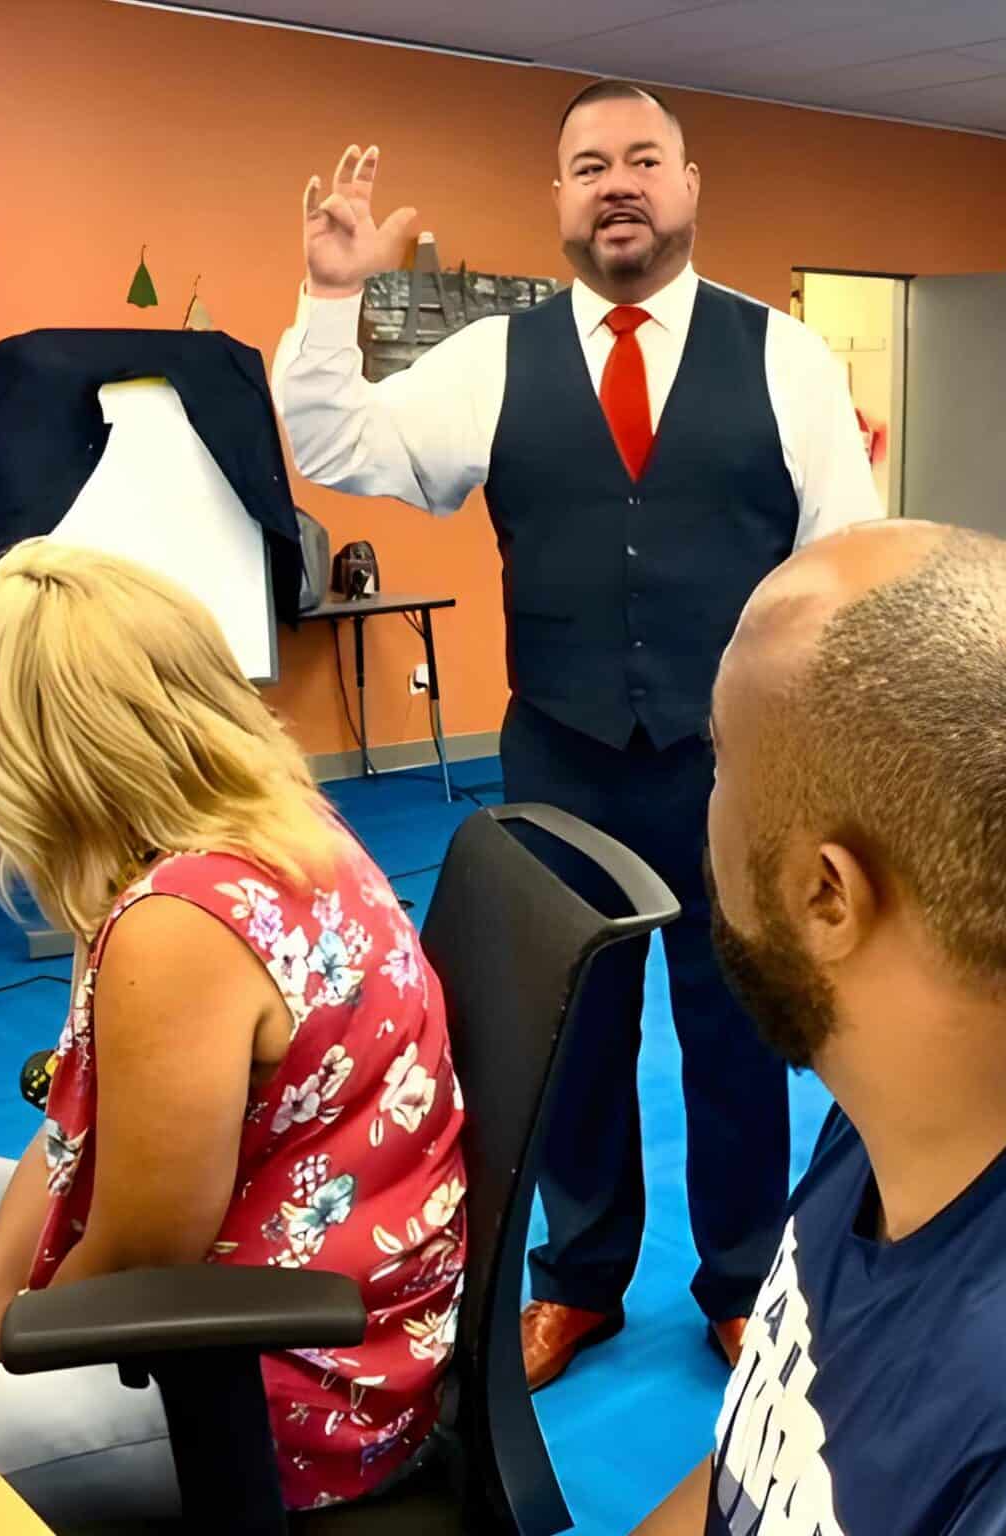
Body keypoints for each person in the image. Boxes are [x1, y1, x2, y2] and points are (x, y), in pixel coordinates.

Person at [273, 78, 881, 1390]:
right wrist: (331, 301)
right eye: (591, 162)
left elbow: (843, 567)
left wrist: (827, 759)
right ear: (558, 199)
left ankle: (739, 1285)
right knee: (573, 1033)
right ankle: (579, 1283)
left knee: (738, 1036)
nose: (620, 181)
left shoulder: (784, 356)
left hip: (741, 764)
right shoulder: (495, 358)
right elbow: (344, 441)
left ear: (688, 184)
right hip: (558, 757)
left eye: (644, 158)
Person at [636, 519, 1006, 1534]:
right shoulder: (911, 1099)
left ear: (827, 895)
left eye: (721, 761)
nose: (702, 810)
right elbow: (757, 1471)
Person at [0, 539, 467, 1524]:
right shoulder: (268, 820)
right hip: (340, 1307)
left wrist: (1, 1328)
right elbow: (78, 1138)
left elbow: (137, 1255)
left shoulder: (179, 927)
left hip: (263, 1397)